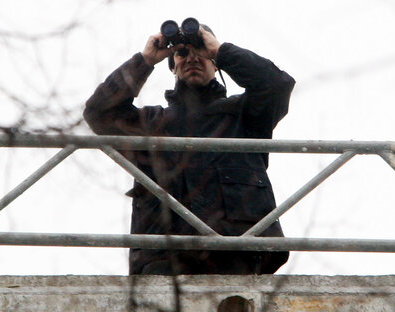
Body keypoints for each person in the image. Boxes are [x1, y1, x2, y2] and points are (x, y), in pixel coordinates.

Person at [84, 20, 295, 275]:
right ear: (172, 66)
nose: (192, 59)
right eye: (182, 53)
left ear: (216, 65)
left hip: (238, 257)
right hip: (164, 263)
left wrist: (221, 51)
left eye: (200, 52)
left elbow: (277, 85)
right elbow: (99, 112)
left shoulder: (245, 117)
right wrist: (146, 60)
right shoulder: (152, 125)